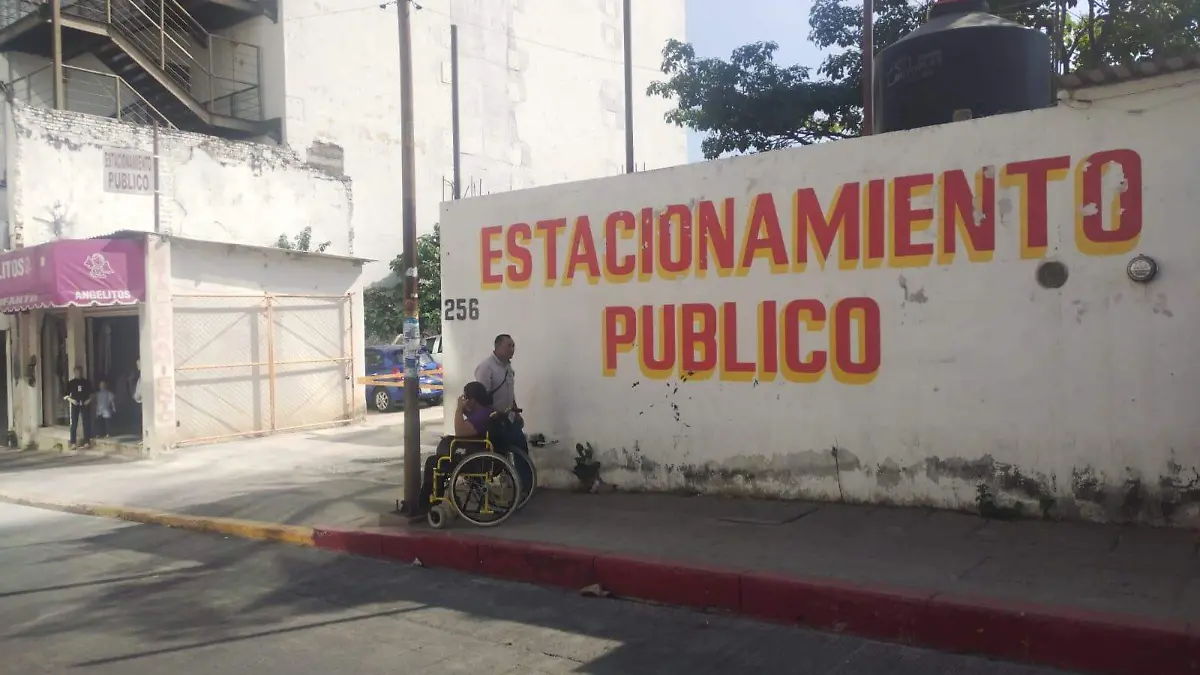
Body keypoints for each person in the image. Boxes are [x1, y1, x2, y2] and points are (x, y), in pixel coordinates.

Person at [415, 381, 495, 515]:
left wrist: (458, 409)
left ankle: (425, 503)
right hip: (481, 454)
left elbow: (460, 431)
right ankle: (438, 496)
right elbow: (471, 424)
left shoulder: (481, 417)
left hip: (473, 460)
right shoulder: (487, 412)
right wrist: (464, 409)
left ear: (472, 400)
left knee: (433, 462)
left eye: (465, 398)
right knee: (440, 456)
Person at [473, 334, 532, 490]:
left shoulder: (508, 368)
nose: (512, 350)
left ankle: (525, 486)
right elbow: (480, 396)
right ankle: (480, 482)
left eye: (513, 346)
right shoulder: (486, 367)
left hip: (508, 417)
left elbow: (509, 393)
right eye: (509, 346)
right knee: (496, 453)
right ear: (498, 347)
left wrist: (516, 411)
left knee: (521, 448)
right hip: (493, 419)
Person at [65, 366, 94, 448]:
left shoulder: (86, 382)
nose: (78, 373)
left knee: (86, 423)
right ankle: (73, 442)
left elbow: (92, 394)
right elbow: (66, 395)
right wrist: (72, 400)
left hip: (85, 404)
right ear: (74, 372)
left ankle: (87, 441)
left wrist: (88, 401)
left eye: (80, 372)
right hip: (75, 404)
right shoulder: (71, 383)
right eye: (77, 372)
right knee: (74, 423)